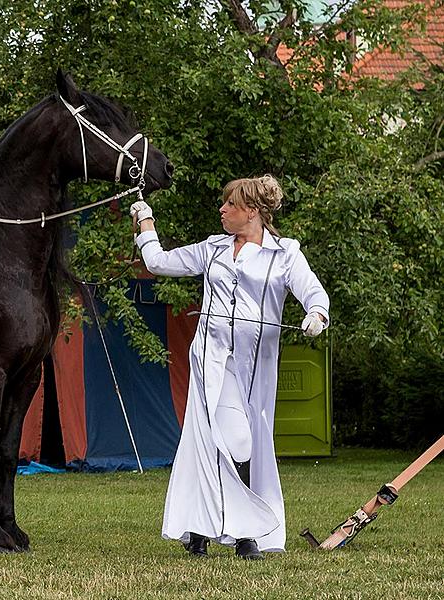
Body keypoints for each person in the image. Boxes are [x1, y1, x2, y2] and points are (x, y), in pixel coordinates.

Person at [130, 175, 329, 560]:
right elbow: (157, 263)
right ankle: (243, 536)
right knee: (231, 439)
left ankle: (201, 531)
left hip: (255, 368)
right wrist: (145, 221)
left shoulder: (284, 254)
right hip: (210, 359)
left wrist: (317, 314)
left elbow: (313, 291)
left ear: (252, 211)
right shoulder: (213, 249)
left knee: (223, 442)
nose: (221, 210)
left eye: (230, 205)